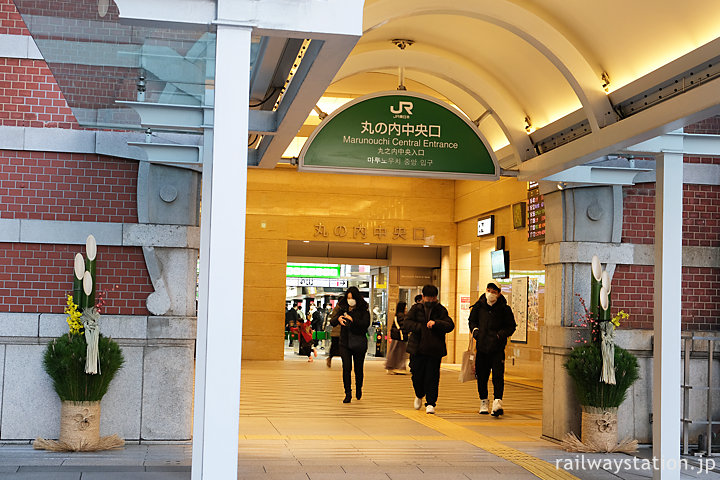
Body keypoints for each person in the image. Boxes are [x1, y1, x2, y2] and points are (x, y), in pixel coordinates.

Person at [403, 284, 454, 414]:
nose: (430, 301)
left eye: (433, 298)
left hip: (434, 349)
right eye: (428, 298)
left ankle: (431, 403)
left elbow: (450, 325)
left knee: (432, 376)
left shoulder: (441, 310)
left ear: (436, 297)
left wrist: (436, 323)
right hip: (417, 348)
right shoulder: (416, 309)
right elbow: (407, 323)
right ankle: (419, 394)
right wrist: (421, 327)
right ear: (423, 297)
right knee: (416, 374)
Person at [468, 282, 516, 417]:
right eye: (488, 290)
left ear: (499, 293)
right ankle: (484, 401)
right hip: (482, 347)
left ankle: (497, 402)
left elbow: (511, 326)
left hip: (497, 348)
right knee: (481, 376)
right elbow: (472, 321)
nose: (490, 293)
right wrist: (475, 331)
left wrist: (500, 334)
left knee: (498, 376)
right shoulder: (478, 306)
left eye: (494, 291)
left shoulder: (504, 309)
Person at [330, 286, 370, 403]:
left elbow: (365, 324)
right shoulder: (342, 307)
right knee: (346, 368)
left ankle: (359, 389)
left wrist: (353, 320)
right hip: (345, 342)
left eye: (352, 298)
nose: (350, 300)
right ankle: (347, 393)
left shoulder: (363, 309)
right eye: (348, 298)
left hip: (358, 343)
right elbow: (332, 321)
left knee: (358, 369)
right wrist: (338, 319)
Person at [384, 301, 409, 374]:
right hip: (400, 336)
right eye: (405, 307)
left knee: (394, 351)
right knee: (399, 352)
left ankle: (392, 366)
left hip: (396, 336)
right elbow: (403, 326)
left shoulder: (397, 315)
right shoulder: (402, 315)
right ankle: (398, 367)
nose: (406, 308)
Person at [326, 299, 342, 367]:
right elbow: (333, 319)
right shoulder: (337, 308)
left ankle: (345, 361)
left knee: (343, 348)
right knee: (334, 346)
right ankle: (330, 358)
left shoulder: (345, 308)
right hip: (336, 331)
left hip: (343, 331)